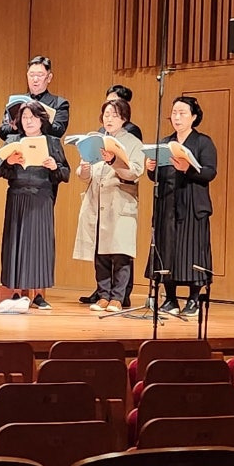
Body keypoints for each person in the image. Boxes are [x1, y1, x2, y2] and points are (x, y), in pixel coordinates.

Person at [145, 95, 217, 317]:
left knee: (193, 250)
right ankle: (170, 298)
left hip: (193, 203)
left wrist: (188, 168)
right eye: (174, 113)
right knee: (167, 249)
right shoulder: (165, 142)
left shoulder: (203, 142)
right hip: (167, 202)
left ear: (194, 117)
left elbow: (210, 172)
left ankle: (194, 299)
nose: (177, 117)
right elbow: (157, 176)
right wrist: (151, 168)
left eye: (182, 113)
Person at [73, 98, 144, 313]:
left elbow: (135, 172)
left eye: (115, 115)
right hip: (96, 202)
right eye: (106, 115)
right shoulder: (96, 139)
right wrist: (85, 167)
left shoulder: (133, 142)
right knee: (100, 253)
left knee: (120, 253)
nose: (109, 119)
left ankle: (118, 297)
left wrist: (114, 161)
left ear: (124, 118)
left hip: (119, 202)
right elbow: (84, 176)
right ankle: (103, 295)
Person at [0, 101, 69, 310]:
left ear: (41, 119)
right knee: (15, 243)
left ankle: (38, 294)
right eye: (25, 117)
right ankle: (16, 292)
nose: (28, 121)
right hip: (17, 197)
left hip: (41, 197)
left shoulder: (52, 142)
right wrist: (9, 162)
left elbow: (65, 173)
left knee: (40, 245)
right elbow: (0, 170)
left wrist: (54, 166)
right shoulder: (13, 140)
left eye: (33, 117)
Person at [0, 54, 69, 140]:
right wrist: (16, 126)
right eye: (31, 75)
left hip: (45, 147)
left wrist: (39, 120)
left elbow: (58, 131)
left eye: (40, 75)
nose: (35, 79)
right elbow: (3, 131)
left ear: (49, 78)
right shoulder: (17, 101)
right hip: (19, 146)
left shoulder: (59, 103)